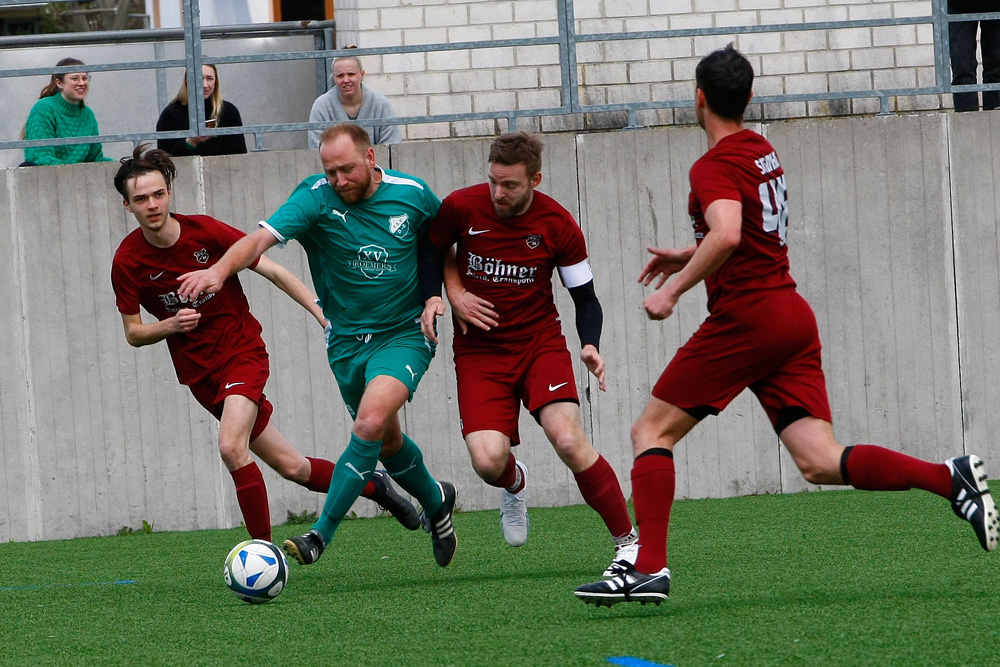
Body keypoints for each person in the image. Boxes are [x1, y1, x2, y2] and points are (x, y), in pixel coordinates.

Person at [574, 45, 998, 607]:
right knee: (819, 460)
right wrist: (690, 253)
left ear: (698, 99)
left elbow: (728, 234)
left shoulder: (714, 164)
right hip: (788, 316)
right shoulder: (761, 150)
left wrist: (674, 290)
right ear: (748, 98)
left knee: (650, 432)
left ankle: (648, 567)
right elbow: (740, 234)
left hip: (748, 319)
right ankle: (952, 478)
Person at [176, 123, 457, 568]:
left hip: (404, 334)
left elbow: (441, 242)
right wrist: (220, 272)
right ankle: (437, 500)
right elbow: (258, 241)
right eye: (330, 172)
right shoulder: (313, 198)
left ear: (370, 158)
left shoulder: (413, 192)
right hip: (346, 342)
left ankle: (319, 534)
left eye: (346, 169)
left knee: (367, 424)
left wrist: (438, 294)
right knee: (386, 441)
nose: (339, 180)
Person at [110, 145, 420, 543]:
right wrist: (170, 325)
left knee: (230, 447)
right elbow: (133, 333)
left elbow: (273, 270)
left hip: (241, 353)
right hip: (201, 375)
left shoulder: (205, 231)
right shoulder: (128, 261)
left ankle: (263, 554)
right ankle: (375, 486)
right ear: (127, 206)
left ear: (169, 193)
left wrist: (321, 312)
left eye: (158, 194)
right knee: (293, 467)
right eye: (141, 199)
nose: (152, 204)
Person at [419, 131, 638, 575]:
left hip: (540, 345)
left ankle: (629, 544)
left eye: (511, 185)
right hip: (479, 352)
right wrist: (443, 294)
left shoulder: (558, 224)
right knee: (486, 462)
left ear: (535, 179)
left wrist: (591, 345)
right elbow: (432, 246)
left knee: (570, 442)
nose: (498, 193)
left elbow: (586, 299)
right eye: (493, 182)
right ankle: (515, 483)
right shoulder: (462, 206)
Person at [21, 57, 114, 166]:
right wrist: (73, 172)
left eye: (85, 78)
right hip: (49, 177)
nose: (81, 83)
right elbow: (40, 157)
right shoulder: (43, 108)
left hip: (82, 177)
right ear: (59, 83)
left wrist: (124, 164)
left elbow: (95, 158)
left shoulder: (88, 114)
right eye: (75, 78)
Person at [308, 51, 402, 148]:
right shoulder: (321, 107)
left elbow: (392, 146)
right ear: (334, 78)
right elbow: (316, 148)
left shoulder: (381, 105)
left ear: (362, 74)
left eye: (351, 74)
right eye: (340, 75)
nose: (346, 80)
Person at [156, 64, 248, 157]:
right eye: (199, 78)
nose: (204, 85)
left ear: (215, 81)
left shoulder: (229, 111)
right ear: (187, 81)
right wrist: (190, 142)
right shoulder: (170, 114)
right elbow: (165, 159)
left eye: (210, 78)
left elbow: (239, 155)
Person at [949, 0, 1000, 112]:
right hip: (958, 6)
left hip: (996, 6)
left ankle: (996, 112)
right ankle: (966, 116)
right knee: (962, 67)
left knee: (996, 66)